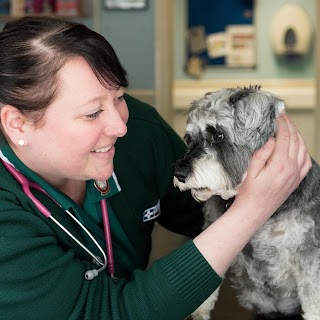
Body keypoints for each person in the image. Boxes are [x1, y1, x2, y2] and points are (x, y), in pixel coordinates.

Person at [0, 16, 311, 320]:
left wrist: (274, 185)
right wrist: (252, 209)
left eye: (120, 96)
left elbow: (204, 215)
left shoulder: (140, 133)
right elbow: (103, 311)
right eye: (93, 113)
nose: (119, 126)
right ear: (17, 125)